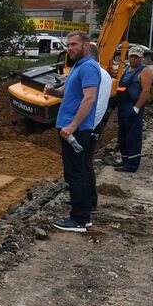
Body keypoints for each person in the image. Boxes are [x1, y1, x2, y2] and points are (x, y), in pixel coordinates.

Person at [45, 32, 102, 232]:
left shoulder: (88, 67)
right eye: (68, 45)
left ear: (86, 45)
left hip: (75, 131)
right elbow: (69, 93)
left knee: (76, 174)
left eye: (74, 44)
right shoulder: (78, 66)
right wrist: (53, 92)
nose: (69, 48)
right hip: (70, 129)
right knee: (76, 173)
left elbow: (89, 99)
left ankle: (79, 219)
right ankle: (81, 215)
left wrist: (72, 126)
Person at [114, 44, 153, 172]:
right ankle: (125, 159)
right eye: (131, 56)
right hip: (123, 107)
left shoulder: (144, 71)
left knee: (133, 135)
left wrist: (136, 108)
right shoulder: (127, 69)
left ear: (141, 58)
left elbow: (146, 91)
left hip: (133, 107)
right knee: (123, 135)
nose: (133, 59)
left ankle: (132, 164)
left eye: (136, 57)